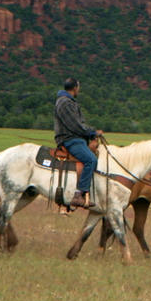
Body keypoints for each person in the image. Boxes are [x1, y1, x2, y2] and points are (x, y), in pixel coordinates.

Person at [53, 77, 102, 209]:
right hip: (70, 139)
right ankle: (78, 194)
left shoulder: (69, 102)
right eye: (78, 87)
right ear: (75, 88)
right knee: (91, 160)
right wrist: (92, 132)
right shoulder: (65, 103)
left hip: (75, 138)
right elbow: (75, 126)